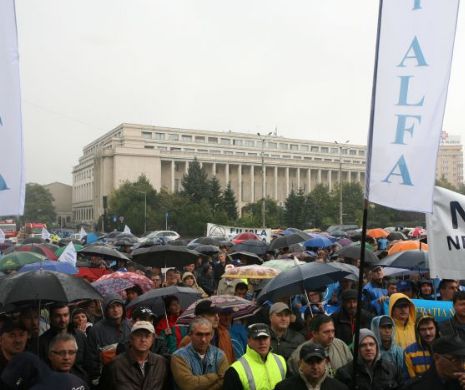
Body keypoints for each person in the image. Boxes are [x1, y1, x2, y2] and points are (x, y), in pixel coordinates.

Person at [99, 321, 168, 390]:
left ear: (152, 339)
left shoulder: (161, 363)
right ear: (131, 338)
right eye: (138, 335)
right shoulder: (115, 365)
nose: (143, 339)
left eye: (147, 336)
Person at [223, 323, 286, 390]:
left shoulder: (281, 361)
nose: (262, 342)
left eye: (265, 338)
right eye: (257, 338)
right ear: (249, 341)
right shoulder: (235, 370)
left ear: (270, 339)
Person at [171, 317, 228, 390]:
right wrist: (216, 376)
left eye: (207, 334)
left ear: (212, 335)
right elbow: (188, 384)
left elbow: (224, 381)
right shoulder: (178, 356)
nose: (203, 340)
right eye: (199, 334)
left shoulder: (219, 355)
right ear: (190, 335)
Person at [38, 302, 93, 379]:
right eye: (58, 316)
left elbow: (89, 362)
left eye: (65, 315)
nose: (62, 320)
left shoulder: (79, 336)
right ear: (51, 318)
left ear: (69, 316)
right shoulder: (42, 341)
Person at [335, 328, 402, 390]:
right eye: (363, 345)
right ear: (356, 349)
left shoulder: (391, 369)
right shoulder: (345, 373)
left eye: (371, 344)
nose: (368, 348)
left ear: (377, 346)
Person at [288, 314, 352, 376]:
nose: (331, 336)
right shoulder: (299, 354)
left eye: (332, 331)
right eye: (326, 332)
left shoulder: (341, 345)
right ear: (314, 333)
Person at [87, 295, 132, 384]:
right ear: (106, 310)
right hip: (107, 378)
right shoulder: (96, 330)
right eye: (111, 307)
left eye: (118, 306)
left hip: (129, 376)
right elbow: (91, 357)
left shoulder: (130, 326)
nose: (115, 310)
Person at [275, 342, 349, 390]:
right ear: (300, 363)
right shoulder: (283, 388)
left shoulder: (339, 388)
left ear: (325, 362)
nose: (315, 367)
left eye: (319, 361)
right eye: (310, 362)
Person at [404, 314, 439, 379]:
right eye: (423, 329)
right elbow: (410, 380)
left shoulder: (446, 348)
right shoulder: (409, 352)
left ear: (436, 328)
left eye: (430, 328)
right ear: (418, 332)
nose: (427, 333)